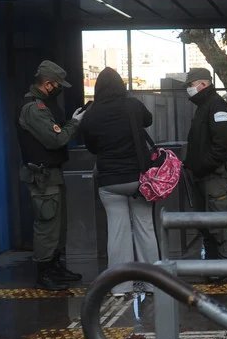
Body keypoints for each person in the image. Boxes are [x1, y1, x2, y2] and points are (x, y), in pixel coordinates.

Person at [79, 67, 159, 299]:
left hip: (110, 181)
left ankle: (120, 286)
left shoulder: (92, 113)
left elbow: (91, 146)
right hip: (139, 179)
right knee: (145, 228)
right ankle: (153, 283)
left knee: (117, 231)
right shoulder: (132, 106)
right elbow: (149, 119)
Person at [17, 60, 87, 290]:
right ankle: (44, 272)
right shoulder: (34, 108)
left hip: (52, 175)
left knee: (58, 225)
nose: (59, 89)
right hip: (43, 177)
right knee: (47, 226)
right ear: (48, 84)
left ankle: (55, 266)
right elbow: (55, 139)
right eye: (57, 85)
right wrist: (74, 124)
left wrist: (69, 123)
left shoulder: (44, 106)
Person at [184, 68, 227, 260]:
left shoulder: (217, 107)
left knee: (220, 227)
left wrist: (201, 166)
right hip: (202, 176)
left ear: (203, 84)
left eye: (191, 85)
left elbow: (223, 146)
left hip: (213, 177)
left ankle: (224, 270)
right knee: (206, 226)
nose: (189, 90)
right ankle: (213, 268)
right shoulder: (205, 106)